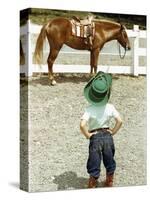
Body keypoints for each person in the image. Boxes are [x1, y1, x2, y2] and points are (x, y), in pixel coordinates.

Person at [80, 71, 122, 188]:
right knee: (109, 158)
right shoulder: (110, 107)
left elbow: (82, 125)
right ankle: (109, 180)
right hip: (108, 136)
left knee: (94, 159)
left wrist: (87, 135)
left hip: (95, 136)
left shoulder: (89, 109)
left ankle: (93, 181)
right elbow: (120, 121)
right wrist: (113, 131)